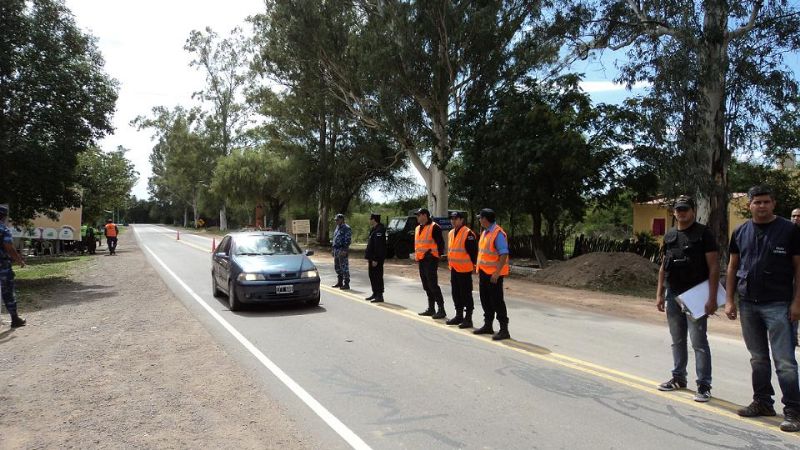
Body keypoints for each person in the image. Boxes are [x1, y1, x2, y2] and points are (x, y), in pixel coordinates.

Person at [725, 185, 800, 432]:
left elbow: (799, 269)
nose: (762, 206)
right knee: (758, 358)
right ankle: (762, 402)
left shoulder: (790, 230)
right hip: (748, 304)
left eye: (766, 202)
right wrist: (729, 300)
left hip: (779, 304)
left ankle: (793, 412)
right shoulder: (740, 231)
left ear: (774, 204)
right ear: (749, 205)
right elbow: (733, 267)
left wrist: (797, 302)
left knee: (785, 361)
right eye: (757, 202)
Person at [655, 195, 718, 402]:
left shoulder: (704, 233)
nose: (681, 213)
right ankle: (678, 378)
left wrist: (711, 297)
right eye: (678, 209)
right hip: (673, 293)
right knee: (677, 340)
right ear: (674, 212)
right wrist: (659, 295)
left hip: (696, 294)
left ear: (693, 211)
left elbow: (714, 266)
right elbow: (664, 266)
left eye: (685, 209)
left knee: (698, 341)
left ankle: (704, 385)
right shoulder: (670, 235)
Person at [474, 208, 511, 340]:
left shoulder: (498, 233)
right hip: (484, 273)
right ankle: (488, 325)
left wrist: (497, 272)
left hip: (493, 275)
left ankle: (504, 330)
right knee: (485, 300)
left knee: (497, 301)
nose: (479, 220)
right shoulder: (485, 232)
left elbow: (504, 253)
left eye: (480, 218)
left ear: (485, 219)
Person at [446, 211, 478, 328]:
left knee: (466, 295)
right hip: (454, 268)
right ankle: (459, 315)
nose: (453, 220)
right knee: (456, 293)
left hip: (464, 269)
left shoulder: (468, 233)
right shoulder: (450, 233)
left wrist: (475, 266)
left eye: (456, 218)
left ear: (461, 220)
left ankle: (468, 318)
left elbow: (473, 253)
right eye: (452, 218)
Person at [414, 208, 446, 319]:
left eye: (418, 215)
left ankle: (441, 309)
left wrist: (436, 255)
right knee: (426, 285)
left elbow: (441, 244)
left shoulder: (434, 227)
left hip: (430, 260)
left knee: (433, 284)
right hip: (421, 260)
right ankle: (431, 308)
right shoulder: (418, 228)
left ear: (424, 215)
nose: (417, 217)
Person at [0, 205, 26, 328]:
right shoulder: (3, 229)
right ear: (4, 216)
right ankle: (15, 319)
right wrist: (19, 260)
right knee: (8, 292)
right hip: (3, 267)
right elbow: (9, 247)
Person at [365, 213, 387, 303]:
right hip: (372, 257)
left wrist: (376, 259)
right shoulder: (374, 229)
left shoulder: (380, 230)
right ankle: (375, 293)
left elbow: (379, 246)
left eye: (370, 219)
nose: (369, 220)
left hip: (376, 258)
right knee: (372, 276)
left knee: (377, 276)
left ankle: (379, 295)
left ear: (374, 219)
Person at [331, 213, 351, 290]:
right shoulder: (337, 227)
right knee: (337, 267)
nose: (336, 221)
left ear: (342, 220)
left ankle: (346, 283)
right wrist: (333, 249)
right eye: (336, 220)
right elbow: (335, 238)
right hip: (336, 249)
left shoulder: (346, 228)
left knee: (344, 267)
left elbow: (348, 240)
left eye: (337, 220)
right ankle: (340, 282)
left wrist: (345, 250)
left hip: (342, 249)